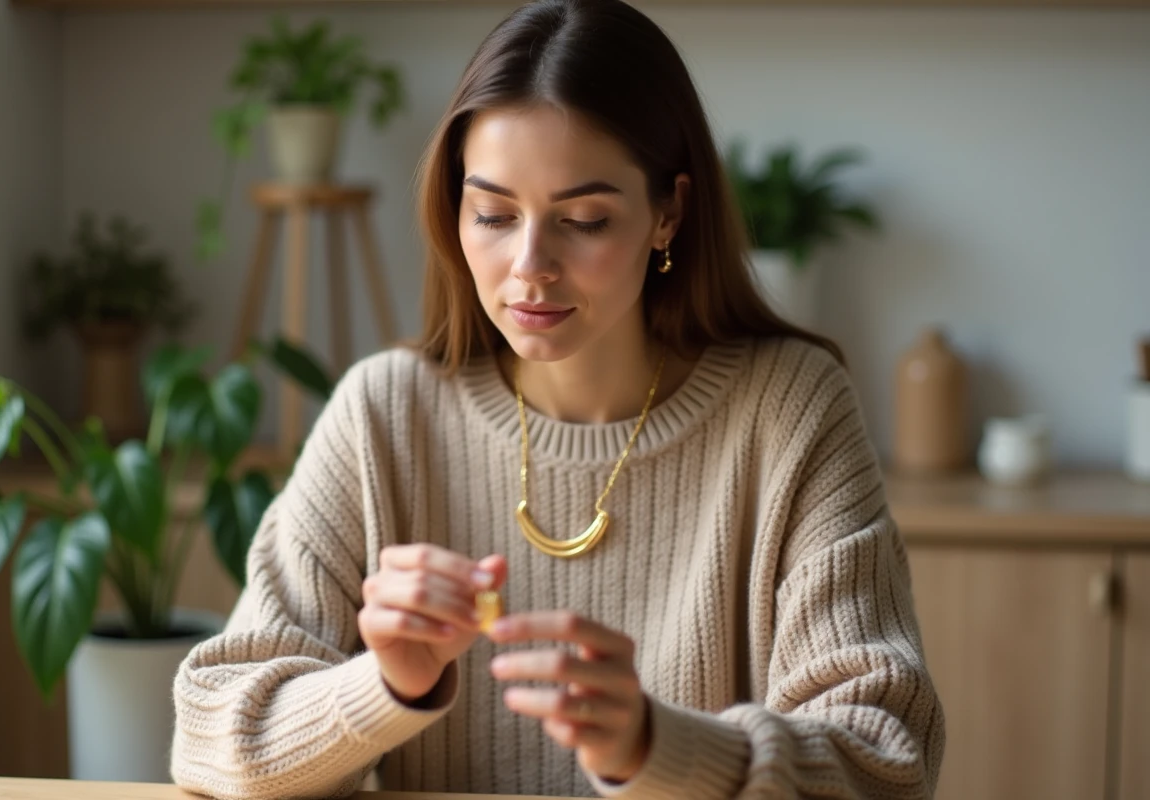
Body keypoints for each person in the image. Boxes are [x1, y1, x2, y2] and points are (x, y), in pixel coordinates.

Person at [171, 1, 945, 797]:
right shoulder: (384, 413)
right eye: (494, 214)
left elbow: (885, 759)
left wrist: (654, 747)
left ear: (668, 214)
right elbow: (208, 735)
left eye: (583, 219)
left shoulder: (791, 409)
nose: (530, 265)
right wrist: (386, 687)